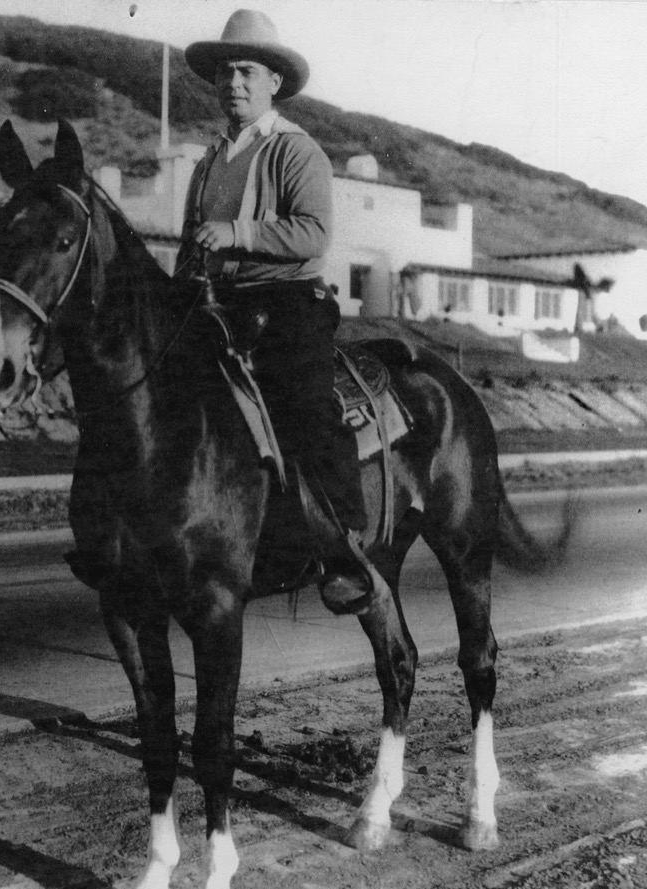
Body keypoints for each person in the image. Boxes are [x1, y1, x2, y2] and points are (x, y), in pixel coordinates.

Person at [177, 8, 374, 613]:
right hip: (220, 306)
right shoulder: (208, 162)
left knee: (305, 407)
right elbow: (191, 244)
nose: (232, 83)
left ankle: (344, 552)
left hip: (288, 302)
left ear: (273, 83)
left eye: (245, 71)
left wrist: (236, 232)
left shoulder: (297, 150)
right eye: (223, 74)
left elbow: (313, 236)